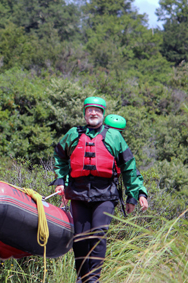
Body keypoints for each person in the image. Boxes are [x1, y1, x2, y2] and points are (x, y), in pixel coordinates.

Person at [51, 97, 148, 283]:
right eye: (90, 110)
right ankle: (82, 277)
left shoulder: (114, 136)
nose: (93, 113)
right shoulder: (73, 134)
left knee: (98, 234)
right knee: (80, 238)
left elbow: (129, 167)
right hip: (78, 194)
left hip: (105, 194)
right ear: (85, 113)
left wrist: (135, 195)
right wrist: (60, 179)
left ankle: (93, 279)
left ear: (103, 114)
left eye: (97, 110)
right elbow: (60, 155)